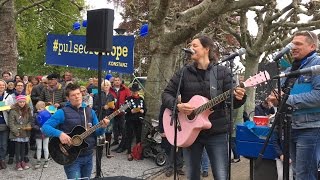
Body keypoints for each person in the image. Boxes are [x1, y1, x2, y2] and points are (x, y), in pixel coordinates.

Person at [162, 35, 246, 180]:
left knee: (221, 175)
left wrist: (240, 97)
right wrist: (178, 106)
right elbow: (167, 94)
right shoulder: (183, 73)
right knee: (192, 175)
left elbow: (232, 102)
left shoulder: (222, 72)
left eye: (195, 45)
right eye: (190, 45)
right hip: (189, 132)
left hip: (217, 132)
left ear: (206, 49)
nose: (191, 48)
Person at [269, 31, 320, 180]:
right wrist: (274, 97)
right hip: (290, 127)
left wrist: (286, 99)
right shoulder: (290, 69)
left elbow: (318, 96)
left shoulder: (317, 65)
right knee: (297, 173)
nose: (293, 47)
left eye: (298, 44)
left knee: (305, 174)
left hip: (310, 128)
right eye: (292, 44)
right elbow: (282, 95)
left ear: (312, 46)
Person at [41, 83, 110, 179]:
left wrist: (103, 127)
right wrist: (60, 134)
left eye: (78, 93)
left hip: (88, 155)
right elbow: (45, 127)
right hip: (71, 156)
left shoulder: (90, 111)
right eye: (73, 95)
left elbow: (97, 132)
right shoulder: (62, 112)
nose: (77, 97)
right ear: (68, 98)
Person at [8, 95, 33, 171]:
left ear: (25, 102)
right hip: (17, 132)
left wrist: (28, 126)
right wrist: (15, 132)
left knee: (23, 148)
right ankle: (18, 163)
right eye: (20, 102)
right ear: (17, 102)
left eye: (23, 102)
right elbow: (11, 123)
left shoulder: (28, 109)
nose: (22, 103)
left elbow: (30, 120)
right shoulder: (13, 111)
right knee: (17, 148)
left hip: (25, 132)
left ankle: (22, 161)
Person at [92, 80, 115, 158]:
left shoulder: (111, 96)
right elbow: (94, 106)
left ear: (109, 86)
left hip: (109, 117)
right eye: (104, 85)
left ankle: (108, 151)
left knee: (109, 134)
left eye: (107, 85)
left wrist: (113, 107)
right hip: (101, 116)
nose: (106, 87)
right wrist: (102, 107)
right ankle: (100, 151)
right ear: (102, 86)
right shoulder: (97, 95)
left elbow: (112, 107)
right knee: (101, 135)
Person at [123, 83, 146, 161]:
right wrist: (130, 111)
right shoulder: (128, 99)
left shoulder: (141, 99)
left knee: (138, 137)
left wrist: (143, 110)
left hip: (139, 120)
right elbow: (124, 109)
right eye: (133, 91)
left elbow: (145, 108)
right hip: (130, 120)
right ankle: (129, 152)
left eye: (136, 91)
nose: (134, 92)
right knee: (129, 136)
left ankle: (137, 152)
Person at [109, 76, 131, 147]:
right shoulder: (110, 89)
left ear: (121, 81)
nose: (117, 81)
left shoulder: (126, 89)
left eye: (118, 80)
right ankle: (115, 140)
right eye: (115, 80)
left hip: (122, 112)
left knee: (122, 127)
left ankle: (123, 142)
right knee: (114, 127)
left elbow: (129, 101)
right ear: (113, 81)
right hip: (113, 111)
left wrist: (123, 109)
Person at [32, 101, 51, 169]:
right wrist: (39, 128)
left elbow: (50, 122)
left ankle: (46, 160)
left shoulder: (48, 114)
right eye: (37, 109)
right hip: (38, 133)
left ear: (44, 108)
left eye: (40, 109)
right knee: (39, 147)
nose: (38, 110)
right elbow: (33, 124)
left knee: (45, 147)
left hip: (46, 133)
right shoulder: (35, 115)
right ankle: (38, 161)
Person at [0, 79, 14, 170]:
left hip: (4, 123)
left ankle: (2, 159)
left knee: (4, 144)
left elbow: (12, 110)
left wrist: (6, 108)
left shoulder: (8, 96)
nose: (1, 87)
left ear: (5, 87)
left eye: (2, 85)